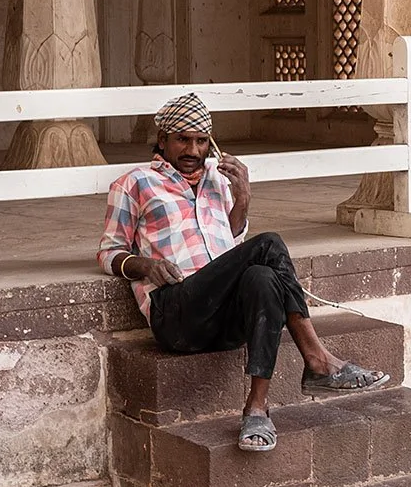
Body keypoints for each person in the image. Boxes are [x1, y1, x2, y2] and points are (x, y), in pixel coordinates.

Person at [97, 93, 389, 452]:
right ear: (162, 139)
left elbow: (233, 241)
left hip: (224, 317)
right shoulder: (135, 183)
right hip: (177, 312)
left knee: (263, 277)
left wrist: (243, 197)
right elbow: (109, 253)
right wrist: (147, 265)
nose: (192, 150)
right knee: (269, 244)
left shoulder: (219, 180)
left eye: (201, 141)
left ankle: (256, 409)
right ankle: (317, 359)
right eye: (182, 139)